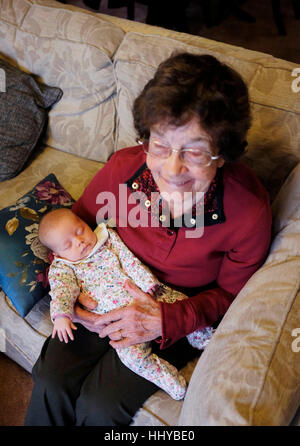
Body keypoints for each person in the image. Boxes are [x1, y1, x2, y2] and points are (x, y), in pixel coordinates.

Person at [25, 52, 272, 426]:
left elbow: (232, 296)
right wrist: (75, 307)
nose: (172, 169)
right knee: (49, 378)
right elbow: (74, 231)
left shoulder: (248, 210)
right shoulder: (122, 168)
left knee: (100, 406)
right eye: (160, 144)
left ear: (222, 154)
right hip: (102, 290)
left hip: (172, 311)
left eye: (195, 151)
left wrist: (166, 319)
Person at [38, 208, 214, 400]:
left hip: (145, 297)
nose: (79, 242)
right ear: (57, 255)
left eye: (80, 230)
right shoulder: (64, 267)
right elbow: (62, 291)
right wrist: (62, 315)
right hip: (120, 323)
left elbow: (130, 261)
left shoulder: (107, 238)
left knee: (178, 302)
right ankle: (169, 380)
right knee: (132, 358)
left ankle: (201, 336)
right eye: (68, 245)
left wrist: (148, 285)